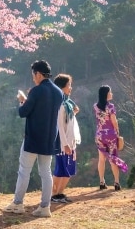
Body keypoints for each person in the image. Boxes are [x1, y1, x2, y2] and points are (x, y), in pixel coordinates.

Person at [3, 60, 63, 218]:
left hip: (33, 137)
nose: (33, 78)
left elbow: (23, 112)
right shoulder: (59, 92)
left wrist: (23, 100)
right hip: (50, 137)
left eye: (33, 75)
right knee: (46, 172)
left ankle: (18, 203)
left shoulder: (36, 91)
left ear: (38, 74)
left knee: (24, 171)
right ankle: (45, 207)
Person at [51, 74, 80, 203]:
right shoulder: (61, 105)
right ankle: (55, 194)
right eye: (68, 85)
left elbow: (68, 122)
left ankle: (58, 193)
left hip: (70, 142)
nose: (70, 88)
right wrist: (65, 144)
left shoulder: (67, 104)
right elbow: (60, 127)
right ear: (61, 87)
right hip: (64, 144)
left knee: (65, 170)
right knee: (62, 170)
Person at [94, 85, 128, 191]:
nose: (111, 94)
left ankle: (101, 182)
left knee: (101, 159)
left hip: (99, 135)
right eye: (110, 92)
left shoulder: (95, 106)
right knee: (113, 158)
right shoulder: (111, 106)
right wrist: (117, 131)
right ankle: (117, 182)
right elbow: (114, 121)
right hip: (110, 135)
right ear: (106, 94)